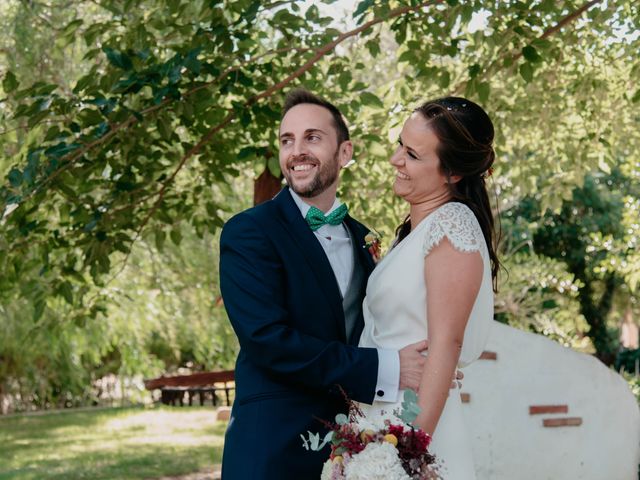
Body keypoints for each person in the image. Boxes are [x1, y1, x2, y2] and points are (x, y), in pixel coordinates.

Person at [219, 89, 430, 479]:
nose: (296, 151)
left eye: (312, 137)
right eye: (287, 141)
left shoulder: (364, 238)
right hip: (272, 451)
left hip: (356, 452)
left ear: (345, 152)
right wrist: (389, 368)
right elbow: (267, 341)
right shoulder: (249, 232)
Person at [358, 97, 499, 479]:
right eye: (400, 144)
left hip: (413, 428)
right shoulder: (417, 233)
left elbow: (446, 345)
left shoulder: (452, 225)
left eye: (413, 155)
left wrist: (407, 454)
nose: (395, 160)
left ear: (452, 173)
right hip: (379, 419)